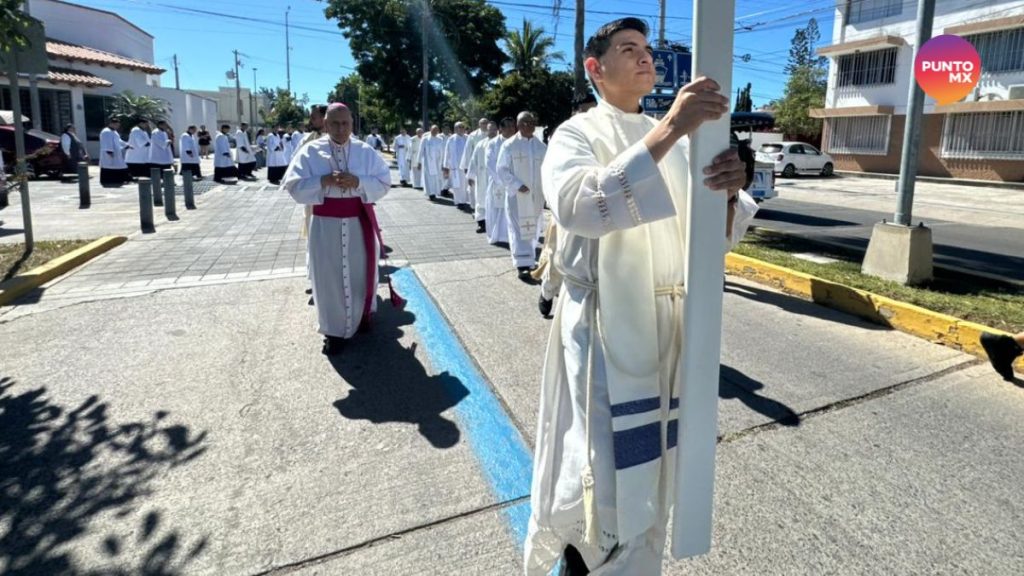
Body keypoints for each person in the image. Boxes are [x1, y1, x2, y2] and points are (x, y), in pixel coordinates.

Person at [524, 18, 755, 575]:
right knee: (603, 479)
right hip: (606, 329)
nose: (646, 58)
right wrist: (673, 128)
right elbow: (579, 205)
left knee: (653, 475)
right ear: (595, 69)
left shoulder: (673, 136)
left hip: (667, 327)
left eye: (648, 49)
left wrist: (727, 194)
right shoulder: (575, 134)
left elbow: (706, 236)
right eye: (629, 49)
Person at [282, 103, 392, 356]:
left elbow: (384, 181)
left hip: (358, 223)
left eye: (345, 123)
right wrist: (324, 181)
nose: (341, 129)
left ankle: (359, 317)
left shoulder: (365, 151)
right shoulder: (310, 151)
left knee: (359, 273)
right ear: (325, 124)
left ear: (352, 124)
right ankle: (333, 331)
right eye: (335, 123)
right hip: (325, 225)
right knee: (327, 278)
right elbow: (293, 185)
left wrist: (359, 182)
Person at [533, 94, 598, 315]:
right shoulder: (564, 135)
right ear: (574, 112)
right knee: (557, 257)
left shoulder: (603, 133)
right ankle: (547, 291)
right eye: (585, 110)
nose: (590, 114)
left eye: (594, 109)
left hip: (598, 210)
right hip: (567, 210)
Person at [497, 111, 547, 282]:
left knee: (533, 227)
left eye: (532, 122)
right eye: (526, 122)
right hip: (518, 195)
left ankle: (530, 259)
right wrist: (518, 185)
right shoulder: (509, 145)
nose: (530, 125)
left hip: (536, 196)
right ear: (518, 125)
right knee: (519, 229)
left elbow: (547, 170)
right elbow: (501, 169)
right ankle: (522, 264)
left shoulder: (541, 146)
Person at [484, 117, 515, 245]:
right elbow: (490, 163)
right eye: (507, 126)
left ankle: (511, 236)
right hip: (498, 183)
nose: (510, 129)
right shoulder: (493, 143)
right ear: (501, 129)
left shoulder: (517, 142)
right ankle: (497, 235)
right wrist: (502, 180)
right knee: (497, 209)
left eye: (512, 126)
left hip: (514, 183)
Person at [466, 120, 496, 234]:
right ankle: (481, 224)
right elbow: (474, 160)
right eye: (489, 129)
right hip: (482, 177)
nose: (492, 131)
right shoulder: (481, 144)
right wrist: (471, 175)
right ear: (486, 131)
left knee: (495, 202)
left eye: (494, 129)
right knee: (481, 200)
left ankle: (494, 225)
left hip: (496, 180)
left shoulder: (502, 143)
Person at [462, 118, 490, 228]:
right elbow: (468, 151)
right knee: (477, 194)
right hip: (479, 170)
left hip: (490, 172)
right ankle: (479, 218)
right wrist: (467, 168)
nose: (484, 125)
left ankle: (489, 218)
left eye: (486, 123)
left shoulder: (493, 134)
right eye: (482, 123)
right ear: (479, 124)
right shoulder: (473, 135)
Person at [443, 122, 470, 211]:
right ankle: (459, 202)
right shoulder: (451, 139)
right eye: (459, 127)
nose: (461, 128)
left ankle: (464, 201)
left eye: (462, 127)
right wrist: (446, 166)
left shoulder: (468, 138)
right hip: (455, 167)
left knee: (465, 185)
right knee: (457, 185)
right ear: (455, 129)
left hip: (466, 166)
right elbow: (447, 153)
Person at [99, 117, 131, 186]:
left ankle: (119, 180)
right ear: (111, 124)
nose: (117, 126)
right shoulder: (106, 132)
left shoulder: (114, 132)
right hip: (110, 153)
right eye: (116, 125)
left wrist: (126, 145)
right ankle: (108, 182)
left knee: (119, 166)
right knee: (110, 167)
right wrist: (109, 151)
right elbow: (106, 143)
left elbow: (119, 140)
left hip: (116, 153)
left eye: (118, 125)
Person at [415, 125, 444, 201]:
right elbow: (420, 151)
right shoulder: (425, 139)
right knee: (429, 178)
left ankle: (435, 192)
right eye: (433, 130)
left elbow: (442, 152)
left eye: (436, 130)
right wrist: (419, 162)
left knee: (436, 179)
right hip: (428, 163)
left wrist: (443, 163)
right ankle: (431, 194)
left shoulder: (440, 139)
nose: (435, 131)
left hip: (437, 162)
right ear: (430, 130)